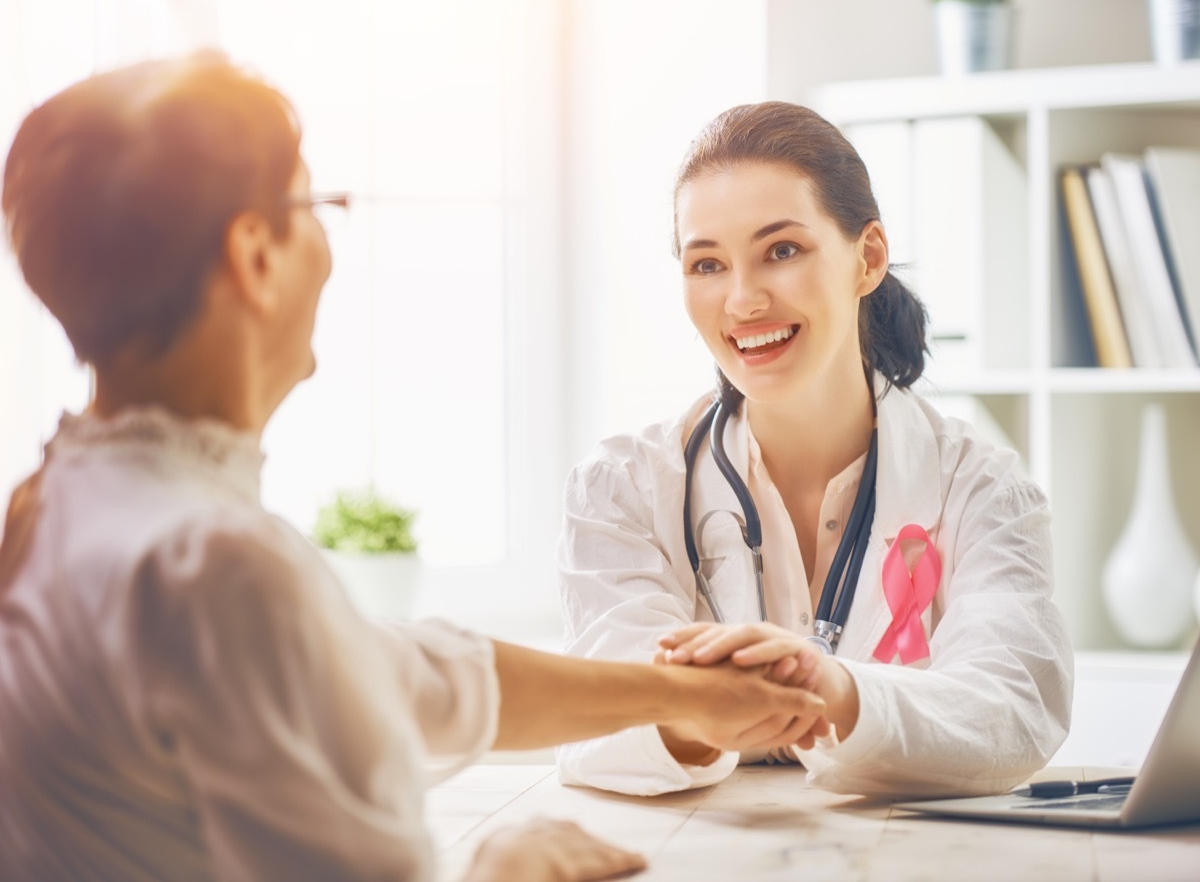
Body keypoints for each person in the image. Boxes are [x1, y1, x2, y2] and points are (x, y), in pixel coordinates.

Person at [0, 55, 831, 882]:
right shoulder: (215, 565)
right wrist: (510, 864)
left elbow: (395, 673)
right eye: (315, 205)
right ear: (256, 256)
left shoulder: (54, 507)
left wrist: (683, 697)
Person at [556, 101, 1074, 798]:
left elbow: (1014, 709)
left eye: (782, 250)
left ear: (868, 259)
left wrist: (834, 691)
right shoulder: (622, 487)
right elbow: (593, 715)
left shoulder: (982, 488)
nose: (742, 301)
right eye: (706, 263)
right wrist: (697, 712)